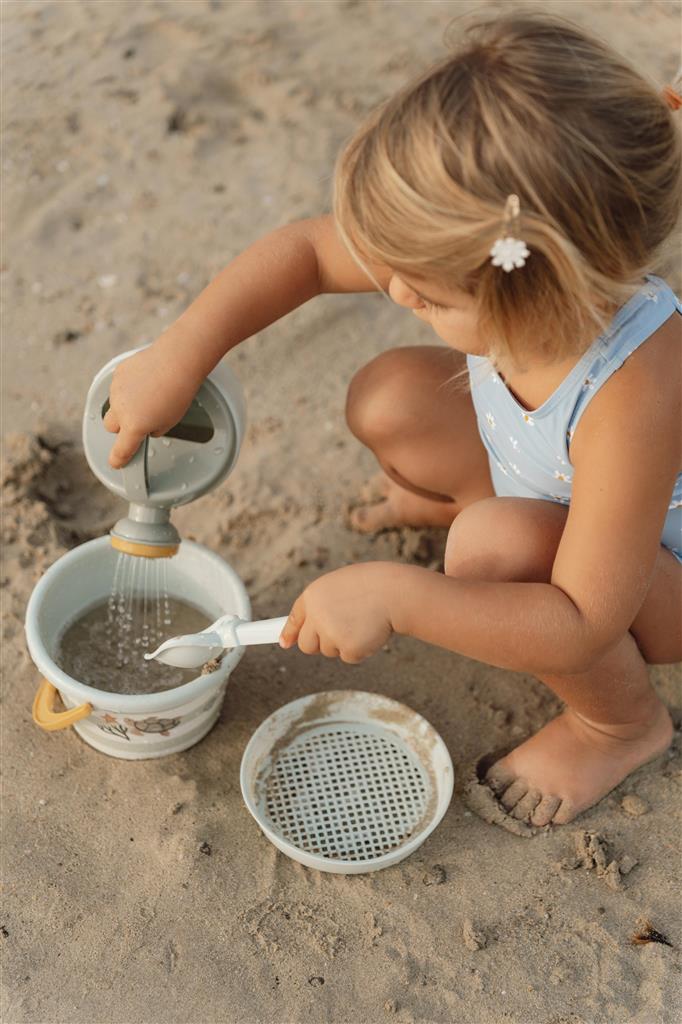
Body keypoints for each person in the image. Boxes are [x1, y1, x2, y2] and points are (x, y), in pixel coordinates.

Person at [103, 12, 682, 828]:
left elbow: (583, 623)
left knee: (490, 548)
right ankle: (468, 508)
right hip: (547, 484)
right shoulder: (496, 258)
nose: (397, 292)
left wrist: (401, 597)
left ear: (540, 294)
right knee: (390, 397)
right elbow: (307, 254)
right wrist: (179, 351)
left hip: (650, 580)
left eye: (430, 295)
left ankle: (618, 725)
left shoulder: (635, 392)